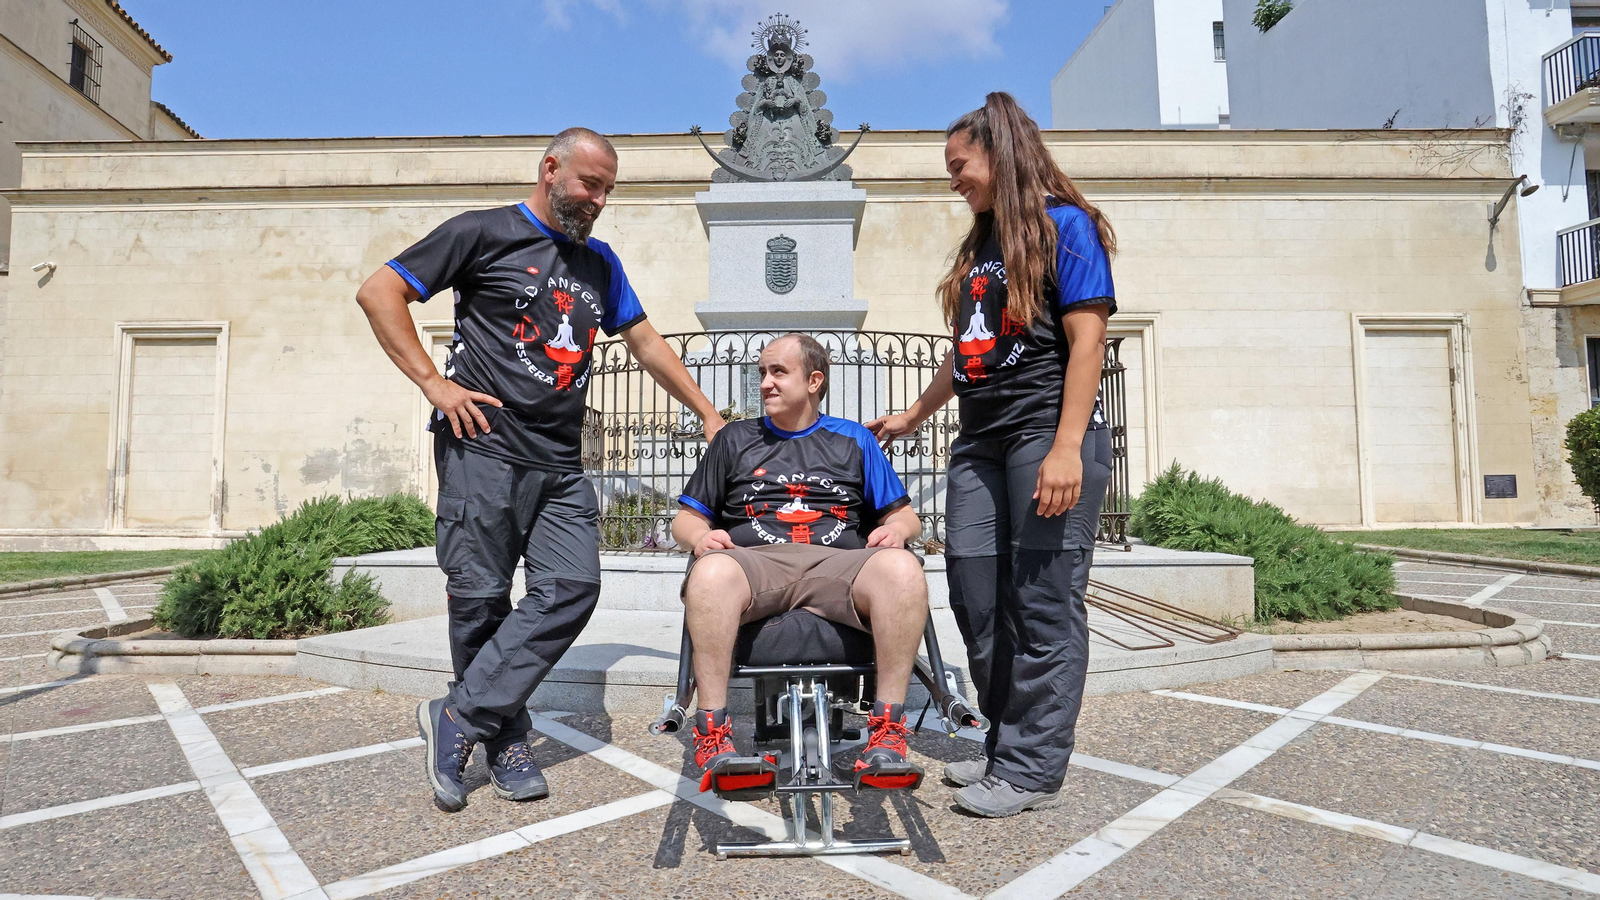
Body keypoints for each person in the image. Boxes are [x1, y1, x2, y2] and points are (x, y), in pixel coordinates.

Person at [355, 127, 725, 812]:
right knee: (481, 599)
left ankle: (460, 714)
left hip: (559, 462)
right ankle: (507, 737)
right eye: (591, 184)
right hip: (484, 450)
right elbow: (380, 292)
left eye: (609, 189)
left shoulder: (599, 263)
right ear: (550, 169)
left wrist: (705, 409)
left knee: (574, 586)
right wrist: (434, 383)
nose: (600, 200)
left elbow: (642, 340)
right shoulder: (482, 233)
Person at [868, 92, 1117, 818]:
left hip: (1044, 432)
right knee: (976, 597)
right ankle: (1006, 744)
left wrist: (1068, 445)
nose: (953, 180)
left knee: (1041, 603)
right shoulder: (980, 245)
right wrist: (916, 412)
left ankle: (1032, 770)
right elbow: (970, 352)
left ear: (999, 154)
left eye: (960, 165)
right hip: (979, 439)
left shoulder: (1065, 227)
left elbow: (1088, 341)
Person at [671, 334, 929, 791]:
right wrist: (700, 537)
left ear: (814, 381)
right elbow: (685, 522)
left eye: (778, 372)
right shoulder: (734, 438)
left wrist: (899, 531)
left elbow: (906, 516)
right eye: (762, 373)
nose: (766, 383)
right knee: (709, 572)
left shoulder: (853, 439)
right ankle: (712, 735)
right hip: (755, 564)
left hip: (838, 567)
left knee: (903, 567)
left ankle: (887, 734)